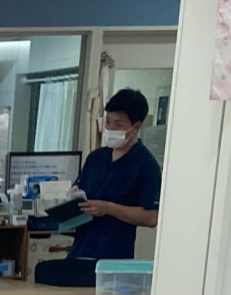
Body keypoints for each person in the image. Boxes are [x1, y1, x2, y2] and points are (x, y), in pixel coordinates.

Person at [68, 89, 162, 263]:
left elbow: (151, 217)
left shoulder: (146, 165)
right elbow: (80, 191)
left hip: (114, 258)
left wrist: (108, 208)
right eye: (108, 122)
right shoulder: (96, 158)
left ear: (136, 126)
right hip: (80, 251)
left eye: (118, 124)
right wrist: (74, 195)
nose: (110, 128)